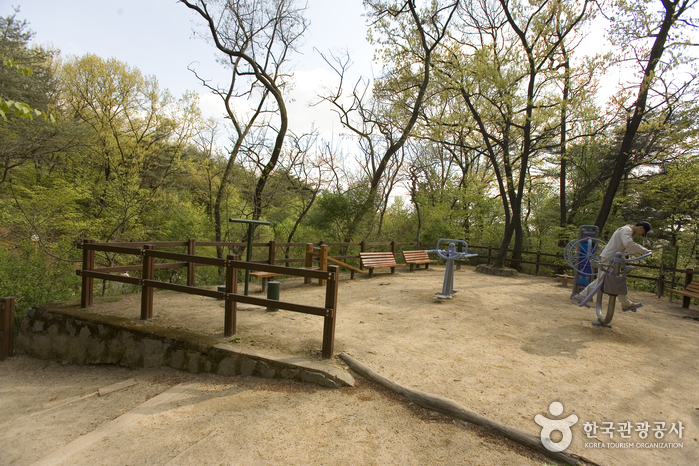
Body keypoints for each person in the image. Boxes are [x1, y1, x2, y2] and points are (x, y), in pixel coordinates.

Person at [572, 222, 652, 310]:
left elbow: (628, 248)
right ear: (640, 227)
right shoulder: (627, 230)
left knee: (618, 281)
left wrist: (640, 251)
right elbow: (628, 243)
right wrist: (645, 251)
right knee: (602, 280)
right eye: (642, 232)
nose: (640, 234)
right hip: (610, 258)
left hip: (614, 259)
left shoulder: (626, 230)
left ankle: (626, 303)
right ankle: (581, 296)